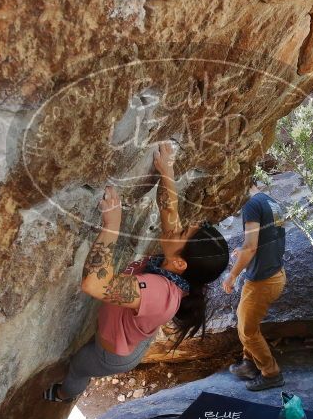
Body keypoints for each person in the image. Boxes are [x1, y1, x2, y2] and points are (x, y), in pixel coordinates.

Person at [44, 142, 229, 402]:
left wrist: (112, 225)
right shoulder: (175, 261)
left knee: (77, 367)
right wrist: (166, 170)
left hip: (110, 356)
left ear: (180, 264)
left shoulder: (159, 293)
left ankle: (62, 395)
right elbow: (169, 210)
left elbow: (95, 286)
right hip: (131, 335)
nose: (176, 228)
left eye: (182, 232)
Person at [222, 176, 286, 391]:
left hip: (262, 281)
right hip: (275, 274)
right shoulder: (271, 202)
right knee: (246, 323)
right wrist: (244, 252)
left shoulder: (251, 204)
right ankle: (249, 363)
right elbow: (269, 239)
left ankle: (271, 373)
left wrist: (232, 275)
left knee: (247, 331)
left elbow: (251, 247)